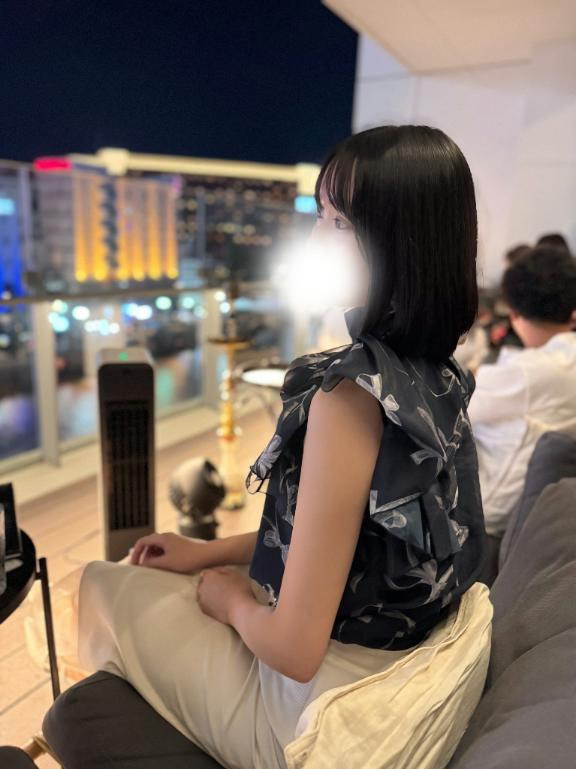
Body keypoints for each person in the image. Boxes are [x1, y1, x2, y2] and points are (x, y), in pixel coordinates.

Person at [72, 126, 486, 769]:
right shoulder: (441, 373)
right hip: (405, 667)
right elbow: (353, 539)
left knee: (105, 582)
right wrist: (208, 551)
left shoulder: (350, 400)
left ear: (404, 242)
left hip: (323, 707)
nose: (318, 240)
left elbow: (295, 650)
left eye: (340, 222)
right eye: (320, 216)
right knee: (149, 583)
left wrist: (230, 600)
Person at [468, 246, 576, 535]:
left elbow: (453, 405)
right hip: (545, 514)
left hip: (487, 515)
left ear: (513, 312)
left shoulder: (525, 373)